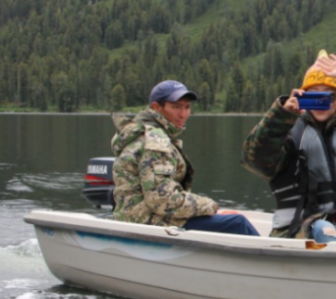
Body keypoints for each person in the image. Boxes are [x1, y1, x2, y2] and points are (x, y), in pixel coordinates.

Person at [241, 51, 336, 243]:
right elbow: (256, 159)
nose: (321, 103)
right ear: (302, 98)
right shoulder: (288, 134)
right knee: (325, 230)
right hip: (301, 228)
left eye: (328, 97)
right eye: (313, 97)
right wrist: (280, 116)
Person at [111, 80, 260, 236]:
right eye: (176, 107)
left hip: (131, 216)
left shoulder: (142, 133)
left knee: (228, 219)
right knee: (237, 223)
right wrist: (208, 206)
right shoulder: (155, 142)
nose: (183, 114)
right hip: (146, 220)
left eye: (187, 107)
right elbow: (162, 200)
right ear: (156, 107)